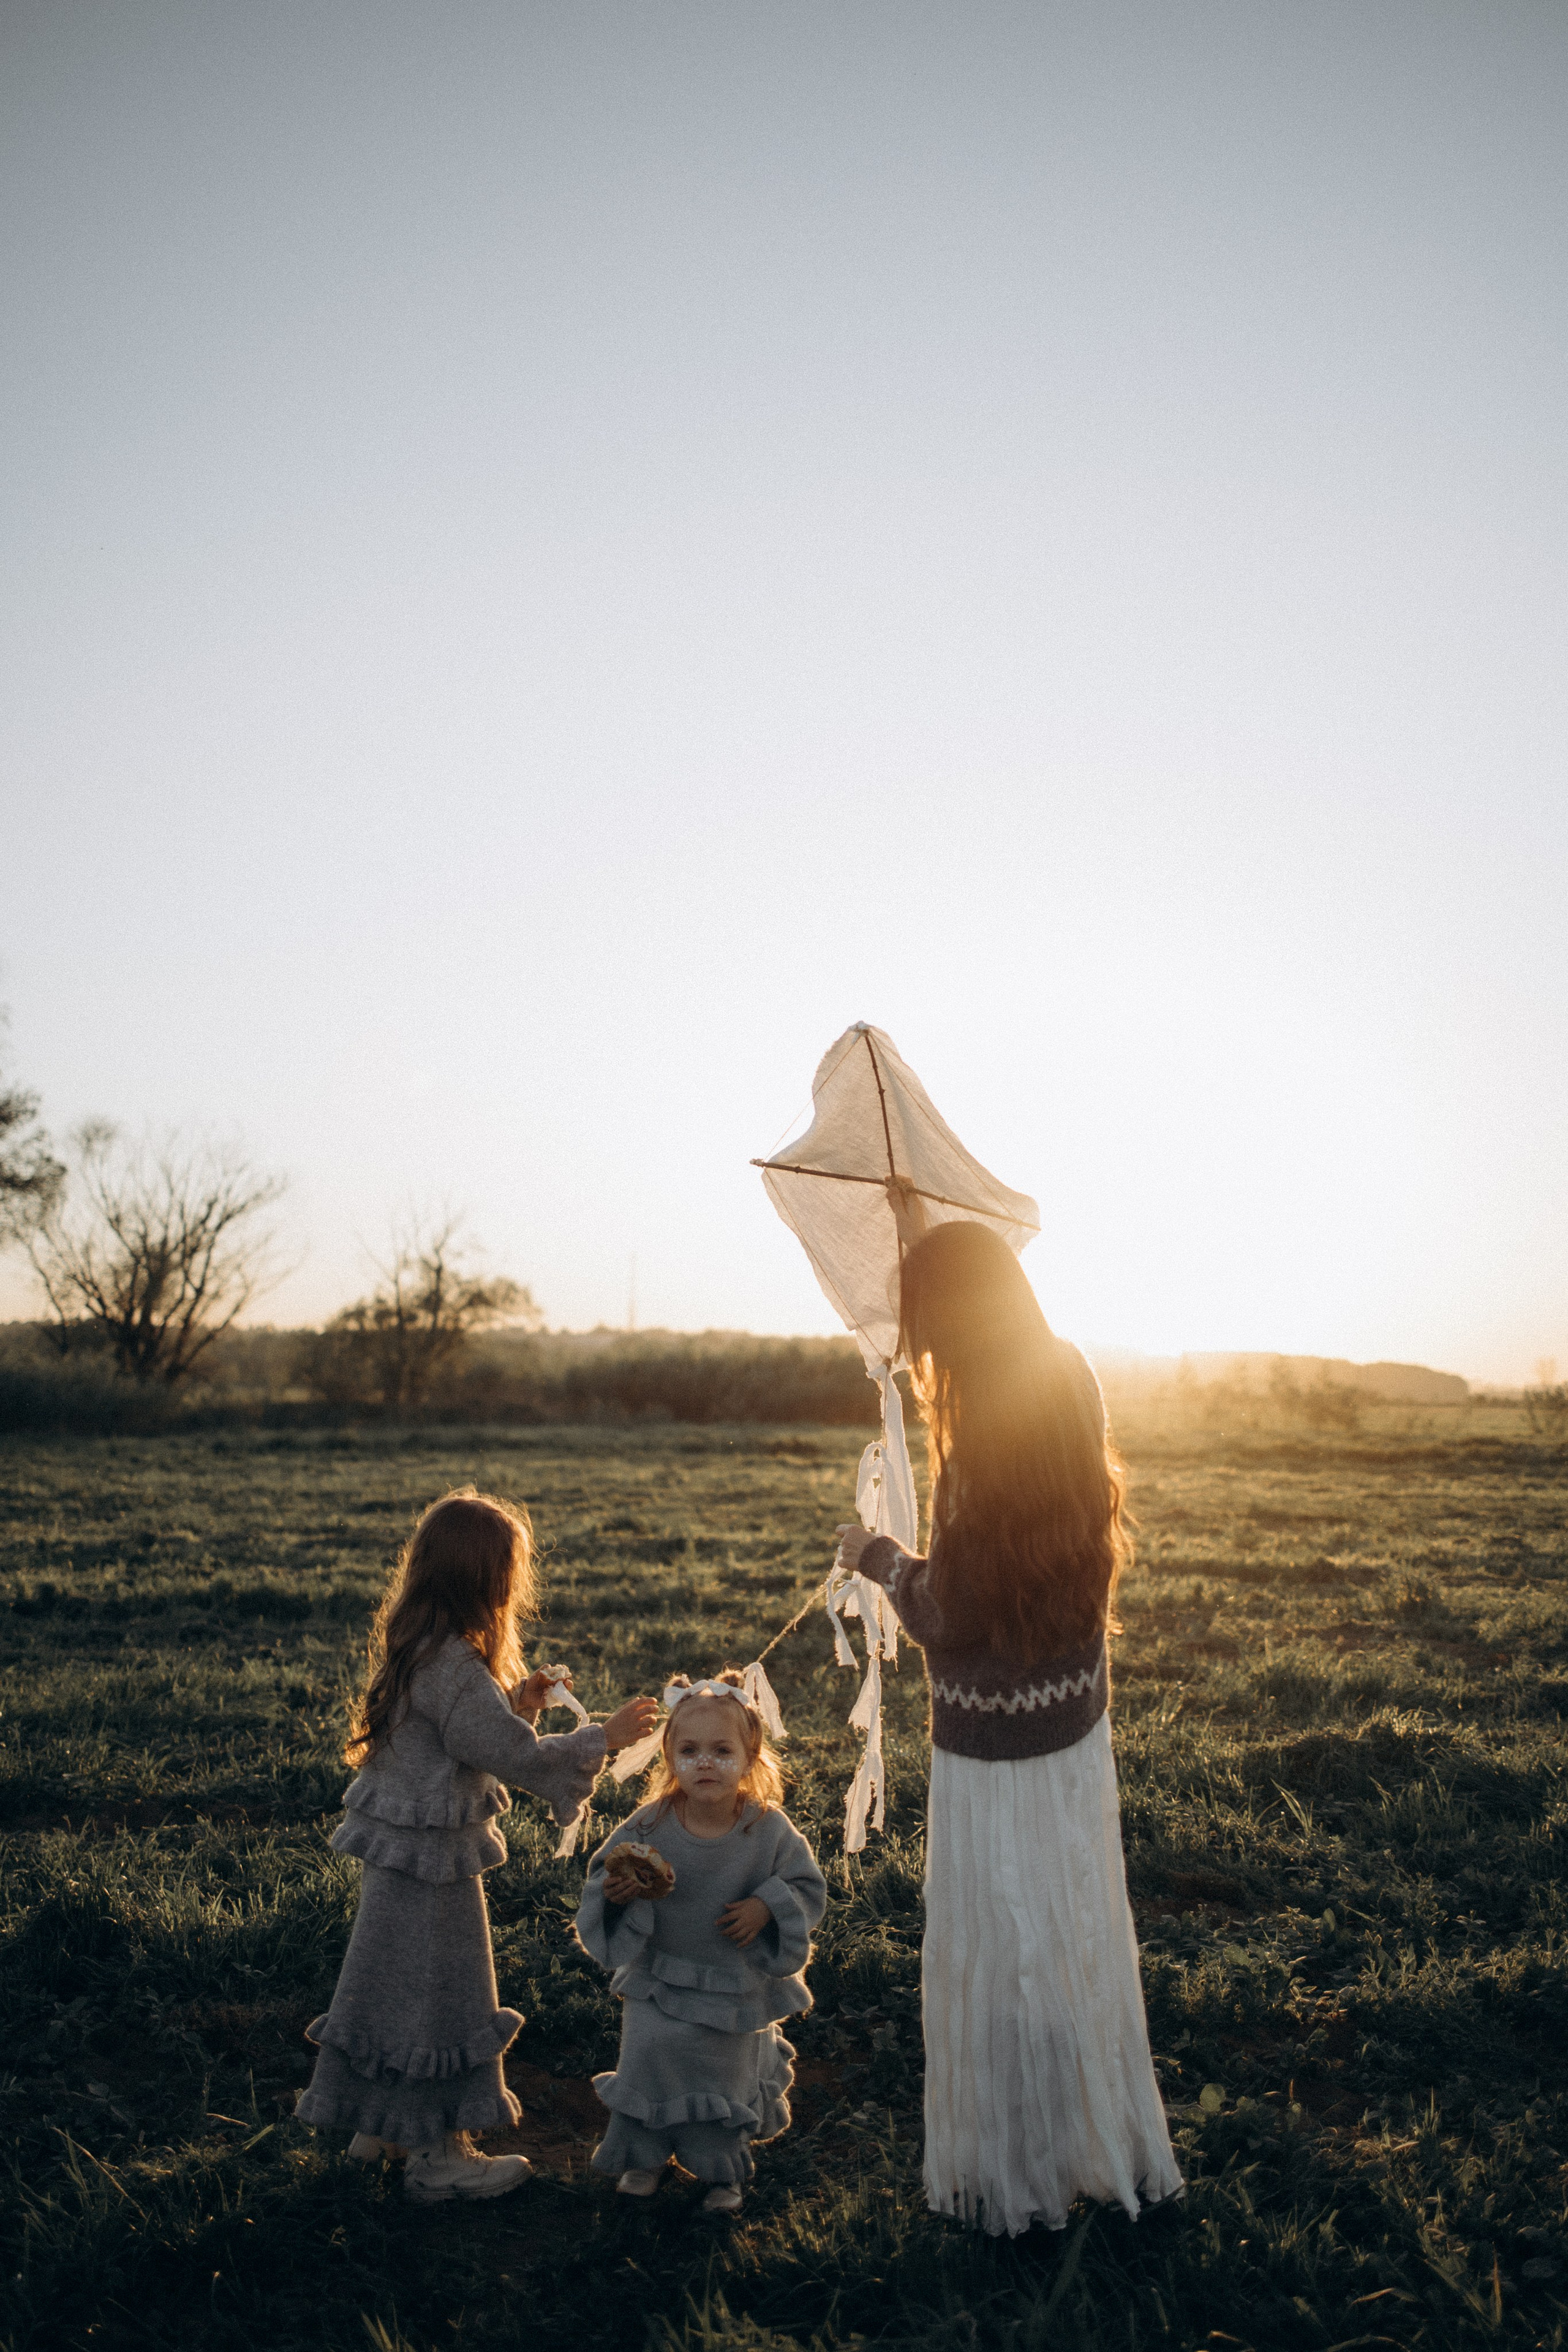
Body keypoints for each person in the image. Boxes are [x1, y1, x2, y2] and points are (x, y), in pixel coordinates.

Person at [835, 1205, 1181, 2237]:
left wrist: (879, 1557)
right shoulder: (1069, 1375)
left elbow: (950, 1614)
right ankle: (1087, 2136)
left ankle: (1019, 2173)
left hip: (991, 1742)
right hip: (1074, 1721)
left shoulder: (979, 1436)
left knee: (1005, 1948)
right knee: (1072, 1934)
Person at [297, 1487, 658, 2204]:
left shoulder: (418, 1649)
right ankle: (436, 2156)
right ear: (488, 1582)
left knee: (387, 1984)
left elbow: (468, 1734)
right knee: (440, 1994)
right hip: (432, 1865)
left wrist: (516, 1703)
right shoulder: (456, 1671)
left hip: (399, 1854)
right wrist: (604, 1738)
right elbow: (520, 1759)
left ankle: (379, 2124)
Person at [573, 1672, 827, 2213]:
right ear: (668, 1756)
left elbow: (807, 1887)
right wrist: (617, 1892)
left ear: (750, 1753)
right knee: (649, 2061)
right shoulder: (651, 1824)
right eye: (688, 1750)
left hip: (732, 1987)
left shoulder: (768, 1830)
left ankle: (720, 2171)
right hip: (660, 1978)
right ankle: (645, 2158)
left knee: (723, 2076)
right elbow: (605, 1873)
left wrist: (767, 1907)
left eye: (720, 1750)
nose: (704, 1762)